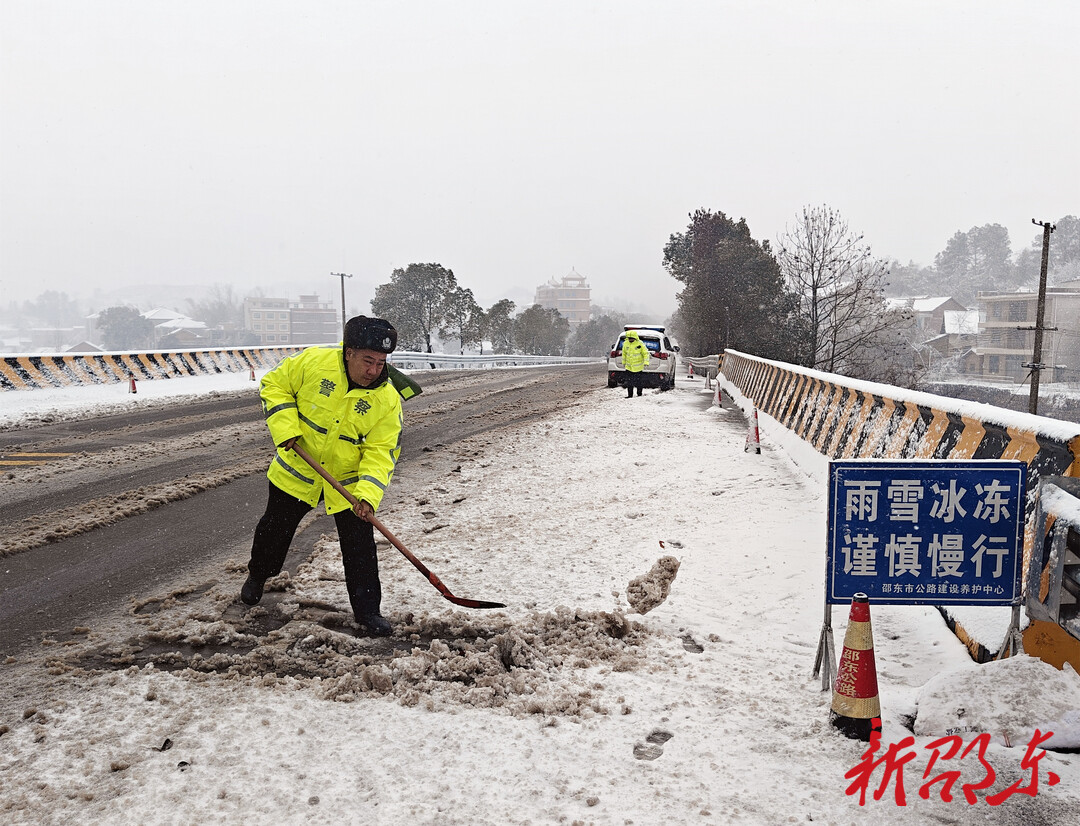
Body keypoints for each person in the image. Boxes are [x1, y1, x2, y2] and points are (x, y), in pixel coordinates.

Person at [240, 315, 403, 637]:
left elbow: (381, 451)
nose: (374, 370)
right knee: (275, 529)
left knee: (359, 546)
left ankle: (368, 611)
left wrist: (367, 496)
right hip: (298, 469)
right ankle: (258, 574)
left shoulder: (387, 398)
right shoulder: (314, 363)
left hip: (349, 481)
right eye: (368, 361)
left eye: (381, 362)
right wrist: (286, 427)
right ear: (348, 352)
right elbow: (275, 385)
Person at [621, 330, 653, 398]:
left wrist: (646, 362)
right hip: (629, 367)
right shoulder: (625, 343)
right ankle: (630, 395)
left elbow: (645, 353)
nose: (630, 339)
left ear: (635, 338)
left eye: (631, 338)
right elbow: (624, 354)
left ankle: (639, 394)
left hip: (638, 367)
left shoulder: (640, 343)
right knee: (629, 382)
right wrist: (623, 362)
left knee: (639, 382)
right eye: (629, 338)